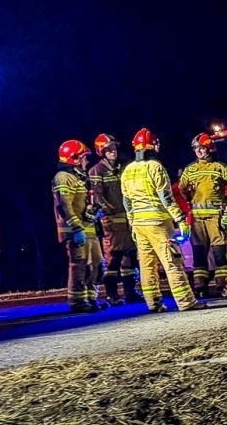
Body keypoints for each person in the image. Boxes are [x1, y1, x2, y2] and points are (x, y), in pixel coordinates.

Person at [120, 128, 200, 313]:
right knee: (172, 261)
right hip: (158, 223)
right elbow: (166, 198)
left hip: (139, 225)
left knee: (147, 265)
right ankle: (186, 302)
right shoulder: (155, 167)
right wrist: (180, 219)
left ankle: (153, 303)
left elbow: (127, 201)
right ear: (152, 146)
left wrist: (132, 222)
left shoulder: (127, 171)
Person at [178, 132, 227, 299]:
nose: (198, 151)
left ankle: (222, 287)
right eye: (196, 148)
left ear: (209, 149)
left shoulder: (220, 168)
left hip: (215, 218)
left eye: (201, 148)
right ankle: (200, 287)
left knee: (220, 253)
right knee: (199, 256)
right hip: (197, 220)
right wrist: (190, 200)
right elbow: (181, 189)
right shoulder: (190, 170)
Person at [87, 133, 139, 305]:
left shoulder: (124, 167)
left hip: (127, 220)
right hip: (112, 222)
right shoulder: (96, 171)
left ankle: (131, 292)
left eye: (114, 148)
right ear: (101, 152)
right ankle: (112, 294)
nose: (113, 152)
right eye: (108, 149)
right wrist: (109, 210)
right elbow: (98, 196)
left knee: (130, 258)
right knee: (113, 260)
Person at [52, 140, 101, 313]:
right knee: (79, 266)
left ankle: (91, 298)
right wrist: (77, 228)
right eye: (83, 158)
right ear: (74, 158)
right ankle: (77, 302)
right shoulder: (63, 178)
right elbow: (64, 206)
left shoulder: (78, 177)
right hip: (75, 231)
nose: (86, 161)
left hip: (88, 229)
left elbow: (82, 202)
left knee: (95, 264)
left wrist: (92, 211)